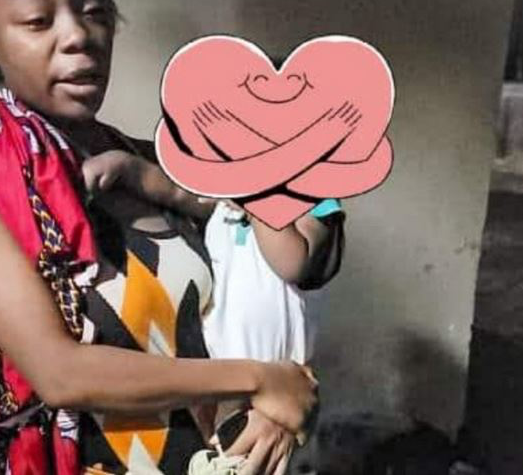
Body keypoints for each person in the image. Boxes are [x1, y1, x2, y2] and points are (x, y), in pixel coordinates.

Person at [0, 0, 317, 473]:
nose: (77, 36)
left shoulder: (146, 161)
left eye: (93, 10)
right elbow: (60, 373)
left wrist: (280, 401)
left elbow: (264, 278)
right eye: (38, 21)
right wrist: (261, 379)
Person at [81, 151, 345, 473]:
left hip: (272, 384)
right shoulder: (231, 188)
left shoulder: (310, 196)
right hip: (215, 370)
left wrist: (256, 197)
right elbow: (177, 192)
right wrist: (127, 168)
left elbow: (293, 263)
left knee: (246, 459)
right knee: (207, 451)